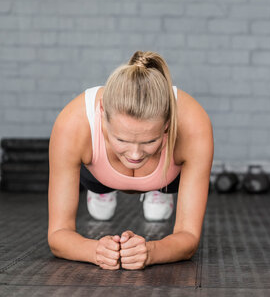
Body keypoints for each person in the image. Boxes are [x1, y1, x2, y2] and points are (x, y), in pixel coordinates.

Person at [47, 51, 214, 270]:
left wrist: (151, 252)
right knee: (101, 212)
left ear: (167, 124)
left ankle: (158, 189)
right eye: (122, 139)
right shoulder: (74, 123)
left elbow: (188, 237)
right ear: (102, 114)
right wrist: (95, 251)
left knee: (157, 214)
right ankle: (101, 189)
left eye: (150, 140)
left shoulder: (193, 123)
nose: (135, 155)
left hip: (167, 176)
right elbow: (58, 235)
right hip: (98, 174)